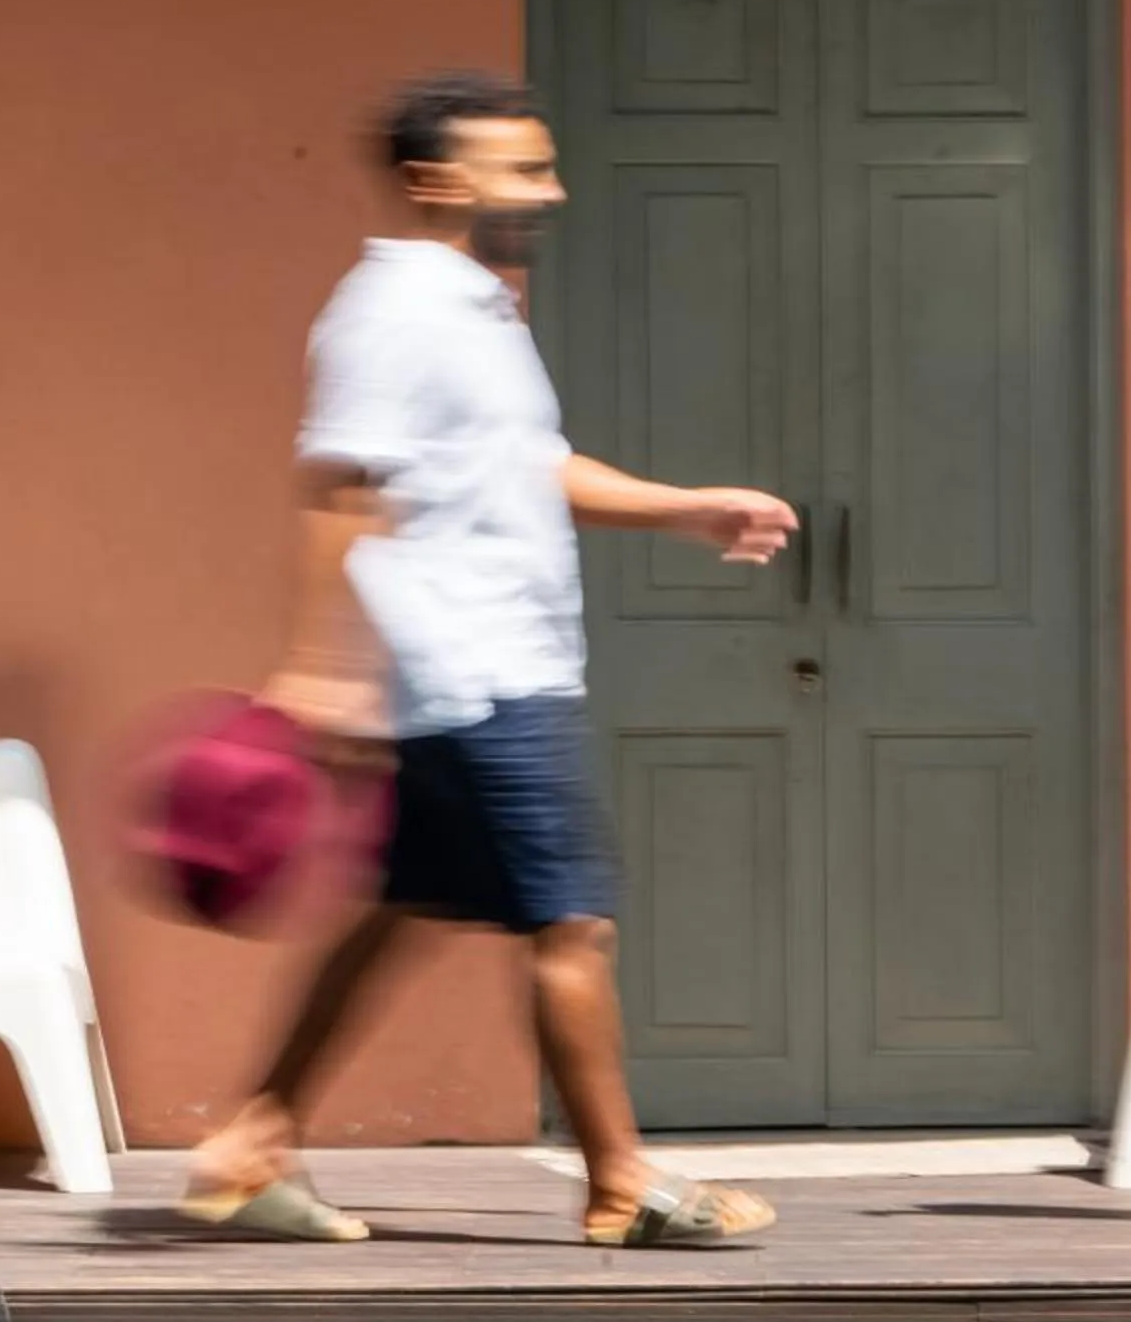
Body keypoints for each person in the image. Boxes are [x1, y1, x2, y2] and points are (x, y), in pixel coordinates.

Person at [181, 69, 793, 1246]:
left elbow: (530, 465)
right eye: (524, 169)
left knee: (406, 906)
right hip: (471, 670)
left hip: (477, 664)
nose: (551, 191)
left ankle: (251, 1145)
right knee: (572, 925)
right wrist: (321, 669)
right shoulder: (391, 313)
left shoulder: (474, 310)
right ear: (434, 181)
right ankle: (623, 1184)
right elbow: (342, 485)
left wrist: (685, 509)